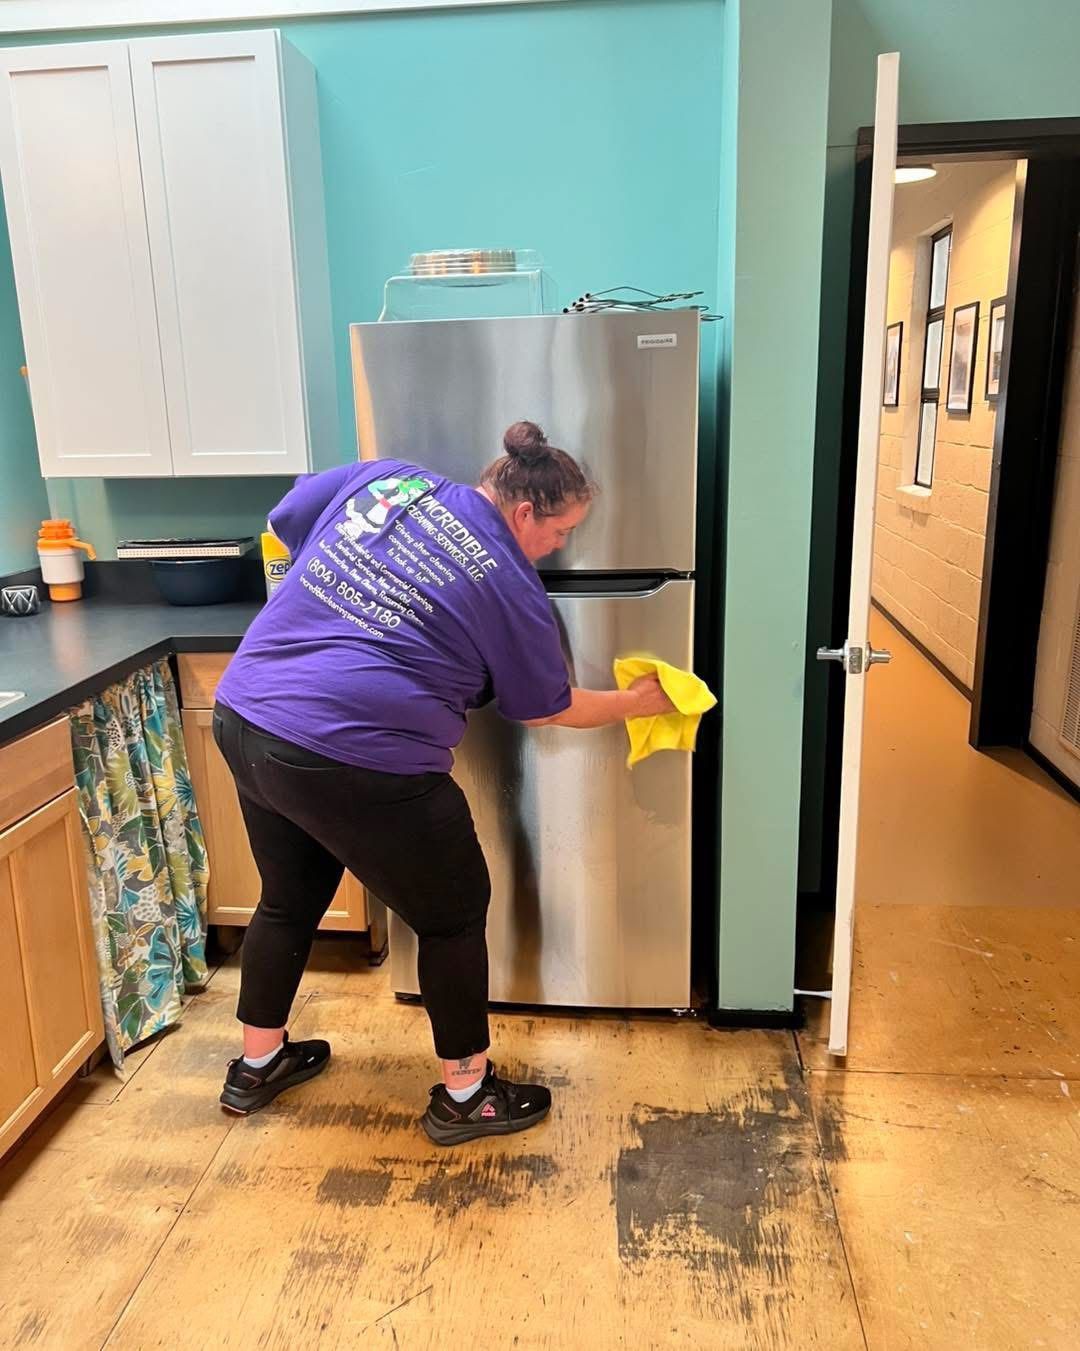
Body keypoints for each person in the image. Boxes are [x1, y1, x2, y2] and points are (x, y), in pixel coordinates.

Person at [212, 421, 674, 1145]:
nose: (561, 547)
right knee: (454, 911)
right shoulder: (510, 584)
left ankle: (256, 1063)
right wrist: (635, 703)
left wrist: (354, 594)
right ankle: (466, 1093)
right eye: (561, 532)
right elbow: (550, 708)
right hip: (355, 752)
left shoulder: (392, 479)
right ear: (525, 513)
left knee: (288, 897)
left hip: (246, 713)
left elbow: (286, 518)